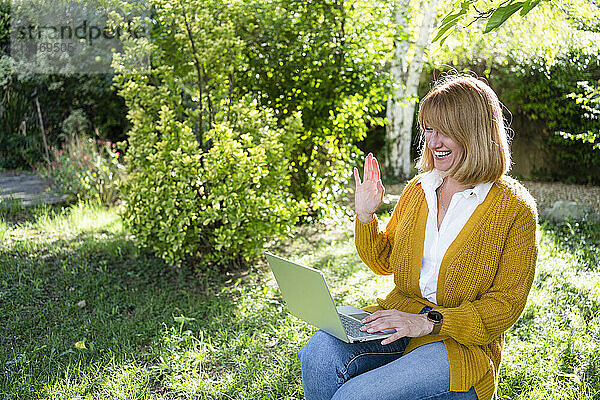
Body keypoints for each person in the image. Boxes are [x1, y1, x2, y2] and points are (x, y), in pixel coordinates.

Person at [298, 74, 538, 400]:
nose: (433, 141)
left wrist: (427, 322)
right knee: (318, 354)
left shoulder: (514, 208)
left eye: (445, 132)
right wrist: (365, 215)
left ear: (476, 132)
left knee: (355, 396)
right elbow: (384, 260)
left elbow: (505, 306)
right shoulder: (419, 189)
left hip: (457, 342)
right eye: (428, 129)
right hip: (398, 318)